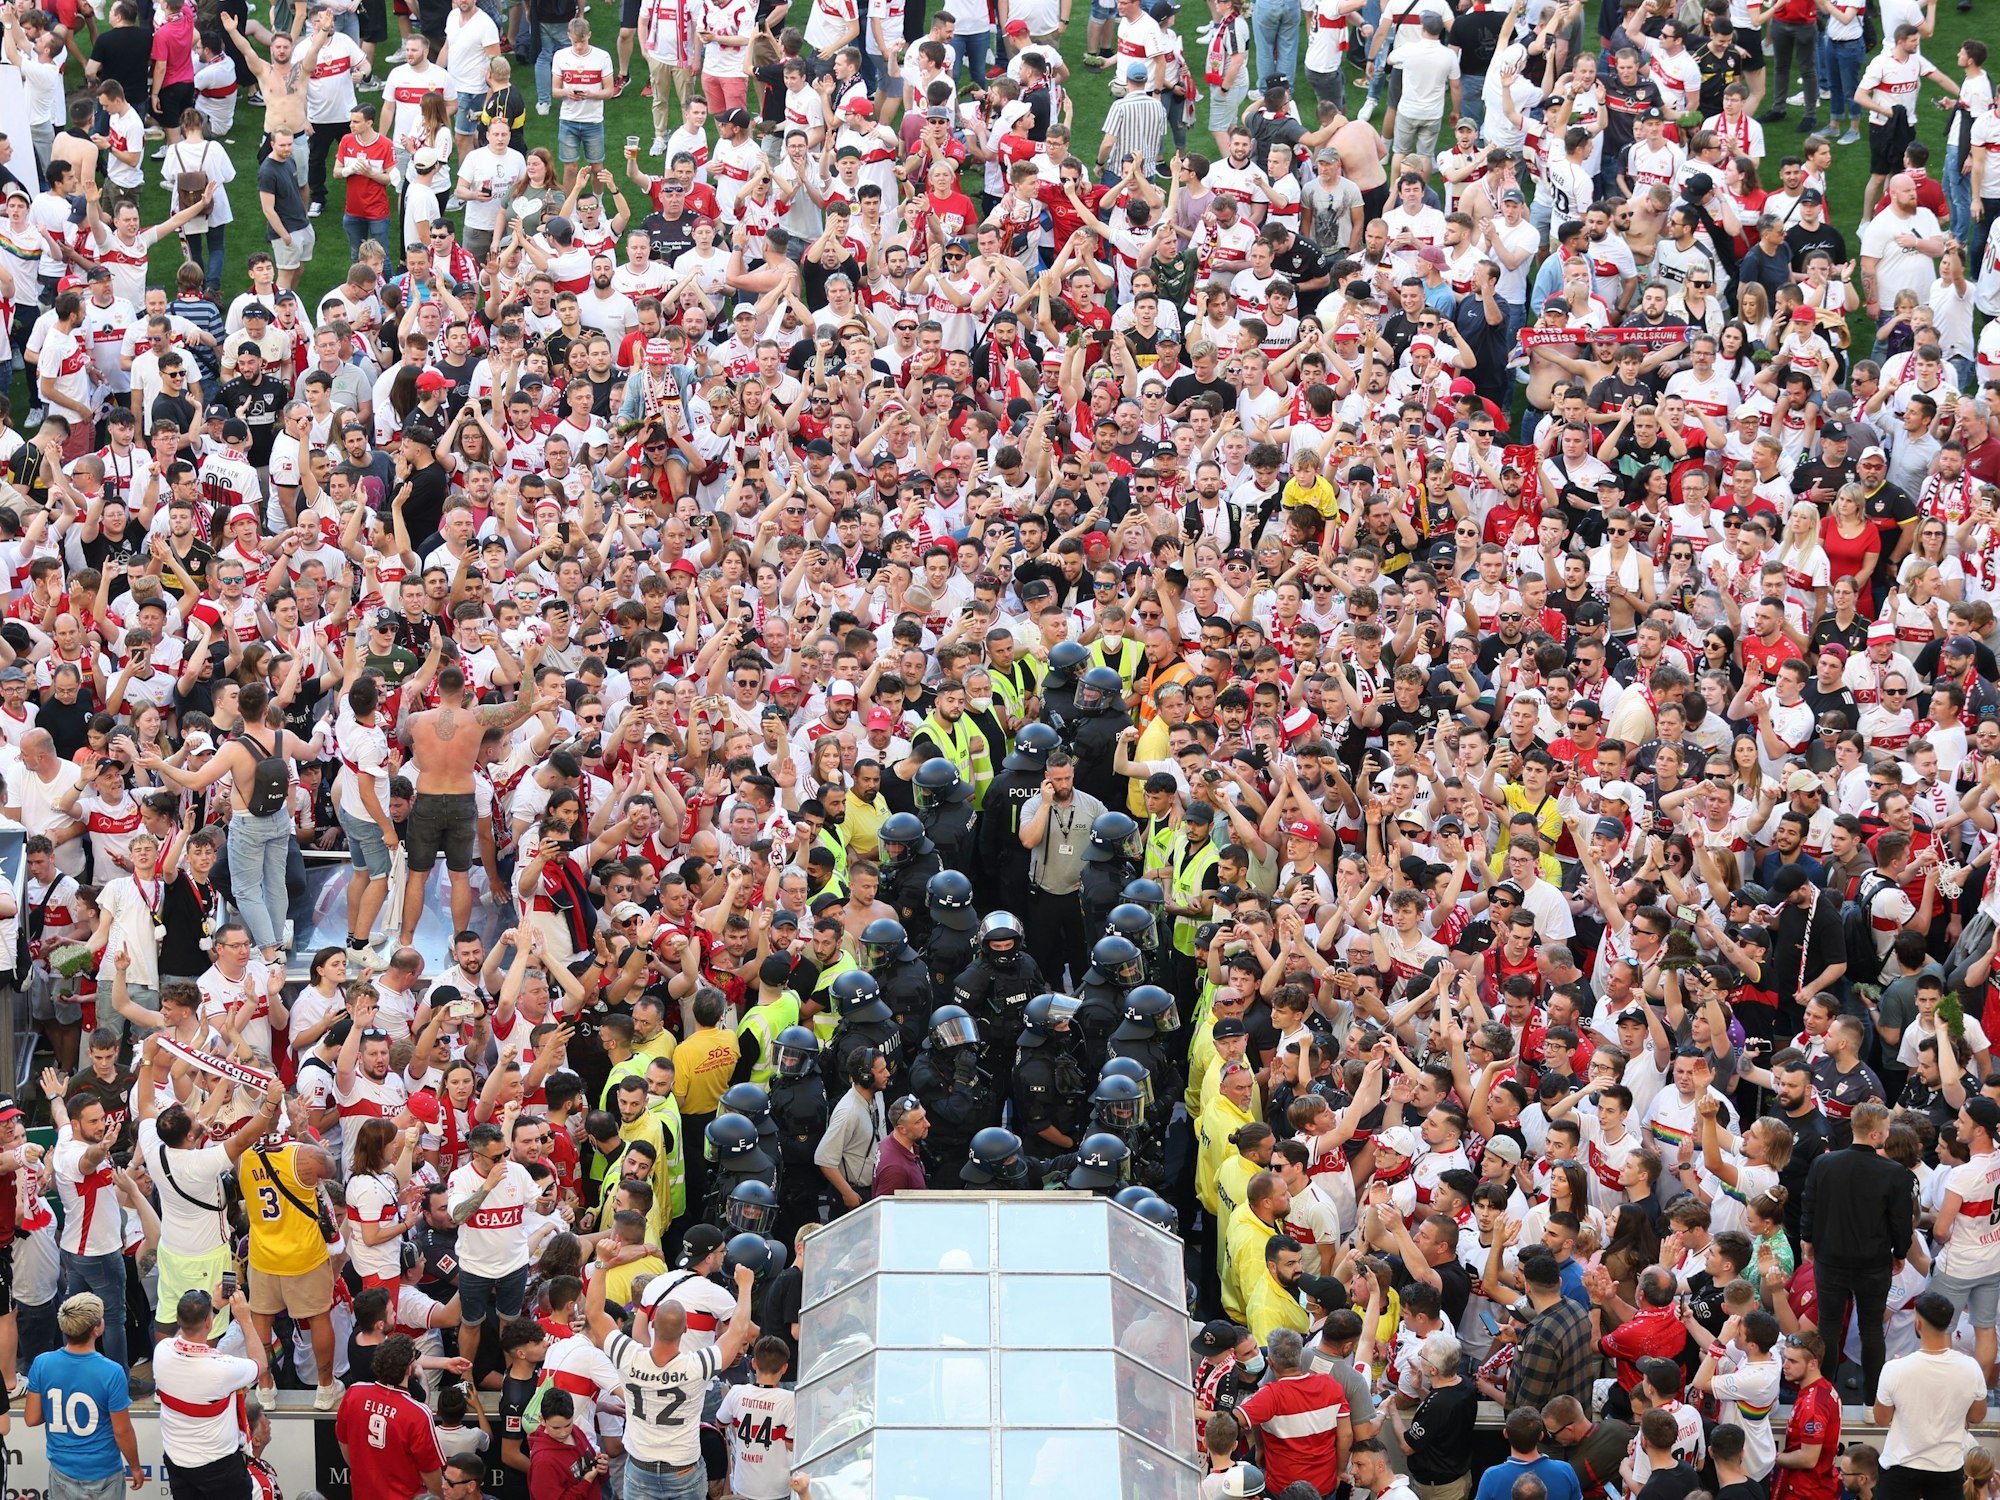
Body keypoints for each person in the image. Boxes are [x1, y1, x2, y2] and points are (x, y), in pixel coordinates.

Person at [582, 1235, 757, 1500]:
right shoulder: (697, 1366)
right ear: (685, 1329)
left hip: (641, 1466)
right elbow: (739, 1330)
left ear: (653, 1326)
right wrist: (744, 1288)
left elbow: (594, 1313)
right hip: (682, 1468)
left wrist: (602, 1263)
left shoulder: (628, 1356)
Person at [1799, 1101, 1915, 1403]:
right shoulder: (1895, 1173)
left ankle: (1822, 1398)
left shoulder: (1824, 1164)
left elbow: (1809, 1205)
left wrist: (1807, 1239)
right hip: (1873, 1263)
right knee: (1871, 1329)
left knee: (1829, 1327)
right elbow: (1902, 1222)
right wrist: (1900, 1252)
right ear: (1877, 1134)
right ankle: (1871, 1402)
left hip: (1830, 1259)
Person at [155, 1287, 270, 1500]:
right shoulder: (222, 1369)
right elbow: (261, 1364)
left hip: (177, 1461)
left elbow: (184, 1336)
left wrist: (214, 1308)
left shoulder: (162, 1351)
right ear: (209, 1323)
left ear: (178, 1320)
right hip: (218, 1467)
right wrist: (245, 1319)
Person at [26, 1293, 145, 1496]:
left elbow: (32, 1418)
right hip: (104, 1473)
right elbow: (122, 1431)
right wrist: (135, 1467)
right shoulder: (112, 1371)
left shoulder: (42, 1363)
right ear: (96, 1328)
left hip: (61, 1471)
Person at [1872, 1290, 1986, 1500]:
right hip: (1947, 1468)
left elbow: (1881, 1418)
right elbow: (1977, 1416)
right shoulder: (1971, 1368)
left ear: (1918, 1325)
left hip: (1900, 1467)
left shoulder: (1894, 1369)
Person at [334, 1334, 446, 1500]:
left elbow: (343, 1442)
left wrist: (363, 1473)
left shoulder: (354, 1394)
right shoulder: (417, 1414)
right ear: (409, 1369)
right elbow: (429, 1471)